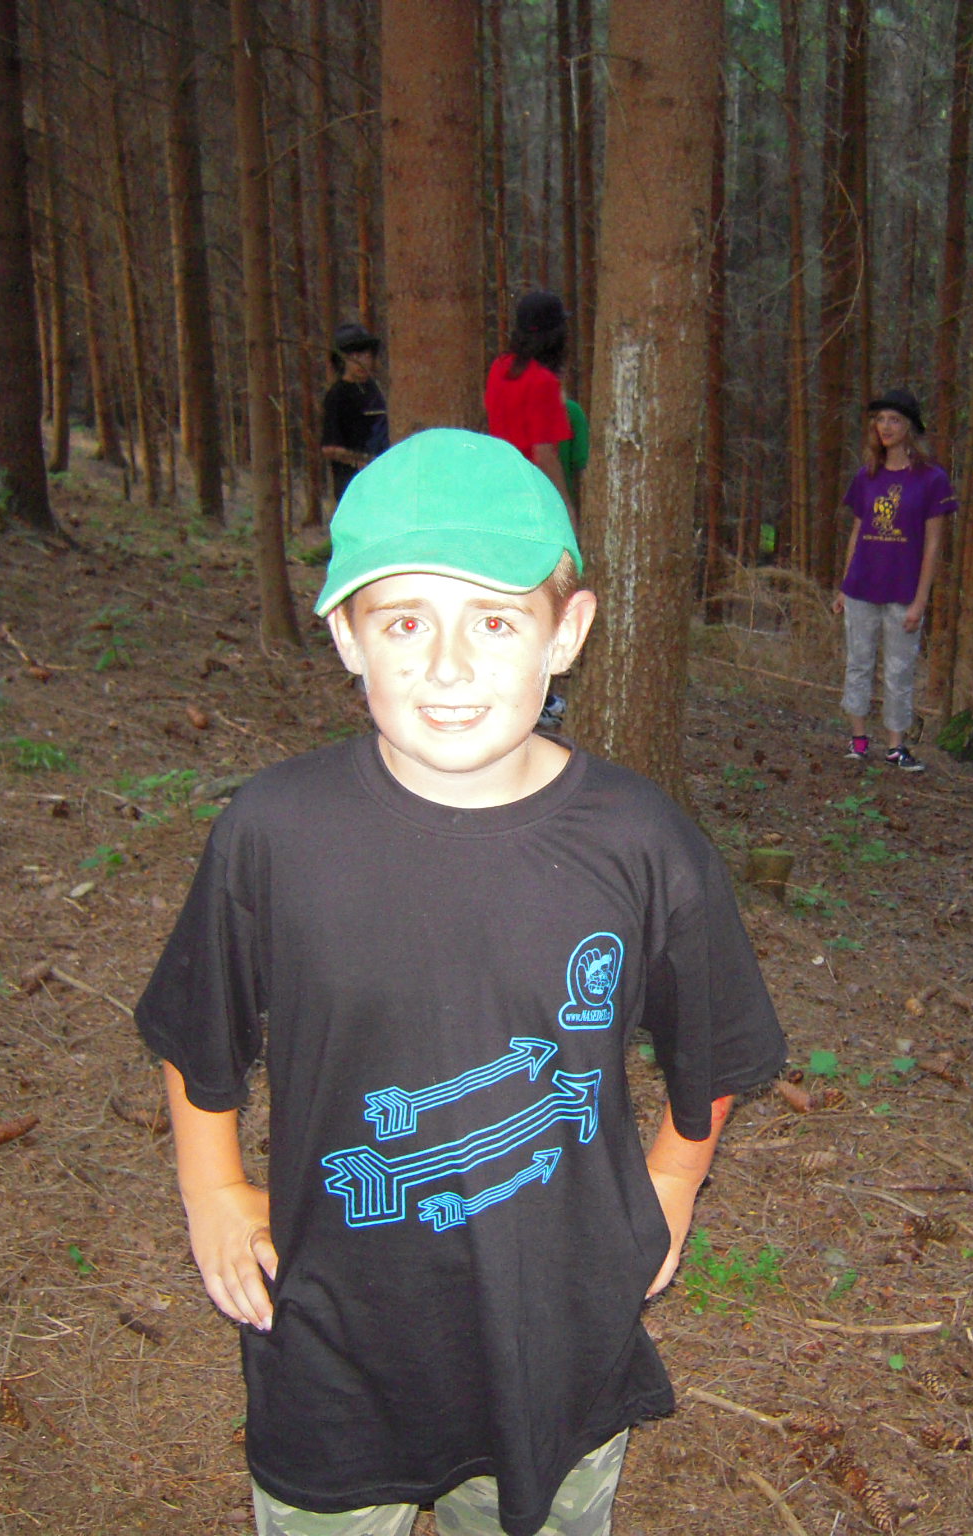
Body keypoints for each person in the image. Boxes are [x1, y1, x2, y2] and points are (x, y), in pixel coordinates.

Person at [136, 427, 785, 1536]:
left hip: (557, 1338)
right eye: (404, 622)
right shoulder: (275, 833)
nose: (446, 667)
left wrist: (675, 1180)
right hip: (335, 1338)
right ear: (345, 636)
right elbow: (200, 1028)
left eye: (493, 620)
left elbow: (714, 1044)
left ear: (565, 633)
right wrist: (212, 1188)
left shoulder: (641, 845)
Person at [830, 388, 955, 773]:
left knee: (899, 671)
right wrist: (844, 586)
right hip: (862, 587)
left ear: (910, 428)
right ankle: (858, 739)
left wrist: (921, 600)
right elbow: (857, 532)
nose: (886, 427)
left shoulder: (931, 479)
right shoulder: (867, 475)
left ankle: (896, 746)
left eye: (895, 420)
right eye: (880, 419)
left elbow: (932, 545)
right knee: (858, 663)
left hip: (903, 590)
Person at [485, 290, 572, 504]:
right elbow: (543, 454)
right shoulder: (543, 381)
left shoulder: (500, 367)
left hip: (500, 483)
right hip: (531, 491)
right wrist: (564, 504)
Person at [319, 322, 387, 516]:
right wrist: (363, 460)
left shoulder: (377, 390)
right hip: (353, 485)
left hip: (384, 482)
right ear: (342, 360)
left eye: (367, 355)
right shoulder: (338, 395)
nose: (363, 362)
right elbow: (329, 448)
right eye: (355, 356)